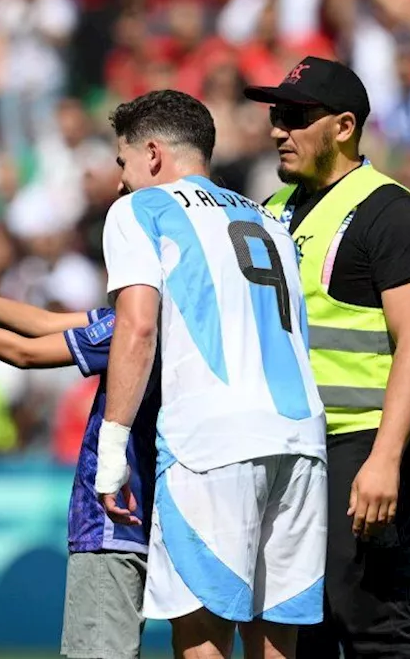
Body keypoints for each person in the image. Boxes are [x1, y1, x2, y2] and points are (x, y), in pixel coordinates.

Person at [95, 89, 327, 659]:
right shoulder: (268, 218)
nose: (119, 181)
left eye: (122, 163)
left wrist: (112, 449)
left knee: (203, 641)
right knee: (278, 645)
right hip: (301, 440)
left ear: (152, 153)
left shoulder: (139, 210)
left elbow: (138, 327)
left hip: (211, 444)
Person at [245, 56, 410, 658]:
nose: (279, 128)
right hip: (298, 441)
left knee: (370, 621)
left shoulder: (391, 211)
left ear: (344, 126)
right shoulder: (273, 209)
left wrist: (385, 459)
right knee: (303, 621)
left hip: (365, 438)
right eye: (277, 114)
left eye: (297, 116)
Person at [0, 246, 158, 659]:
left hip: (115, 520)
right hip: (154, 512)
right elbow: (42, 324)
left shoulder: (135, 327)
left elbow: (26, 353)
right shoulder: (166, 321)